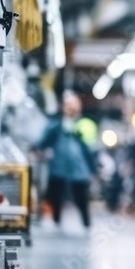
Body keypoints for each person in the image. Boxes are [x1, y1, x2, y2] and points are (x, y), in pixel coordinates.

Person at [34, 91, 97, 228]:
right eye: (69, 105)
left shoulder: (83, 125)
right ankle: (55, 222)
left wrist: (93, 168)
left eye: (75, 105)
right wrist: (37, 149)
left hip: (79, 168)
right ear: (63, 107)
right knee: (54, 195)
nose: (72, 108)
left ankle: (87, 224)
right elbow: (45, 141)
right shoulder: (56, 126)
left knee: (82, 197)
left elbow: (89, 149)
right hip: (59, 167)